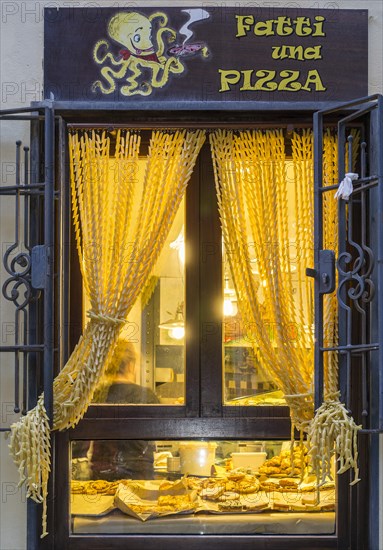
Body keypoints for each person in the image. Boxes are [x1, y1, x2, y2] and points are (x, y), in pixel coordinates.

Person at [84, 340, 159, 481]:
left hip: (102, 473)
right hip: (138, 473)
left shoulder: (97, 394)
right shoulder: (145, 395)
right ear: (131, 365)